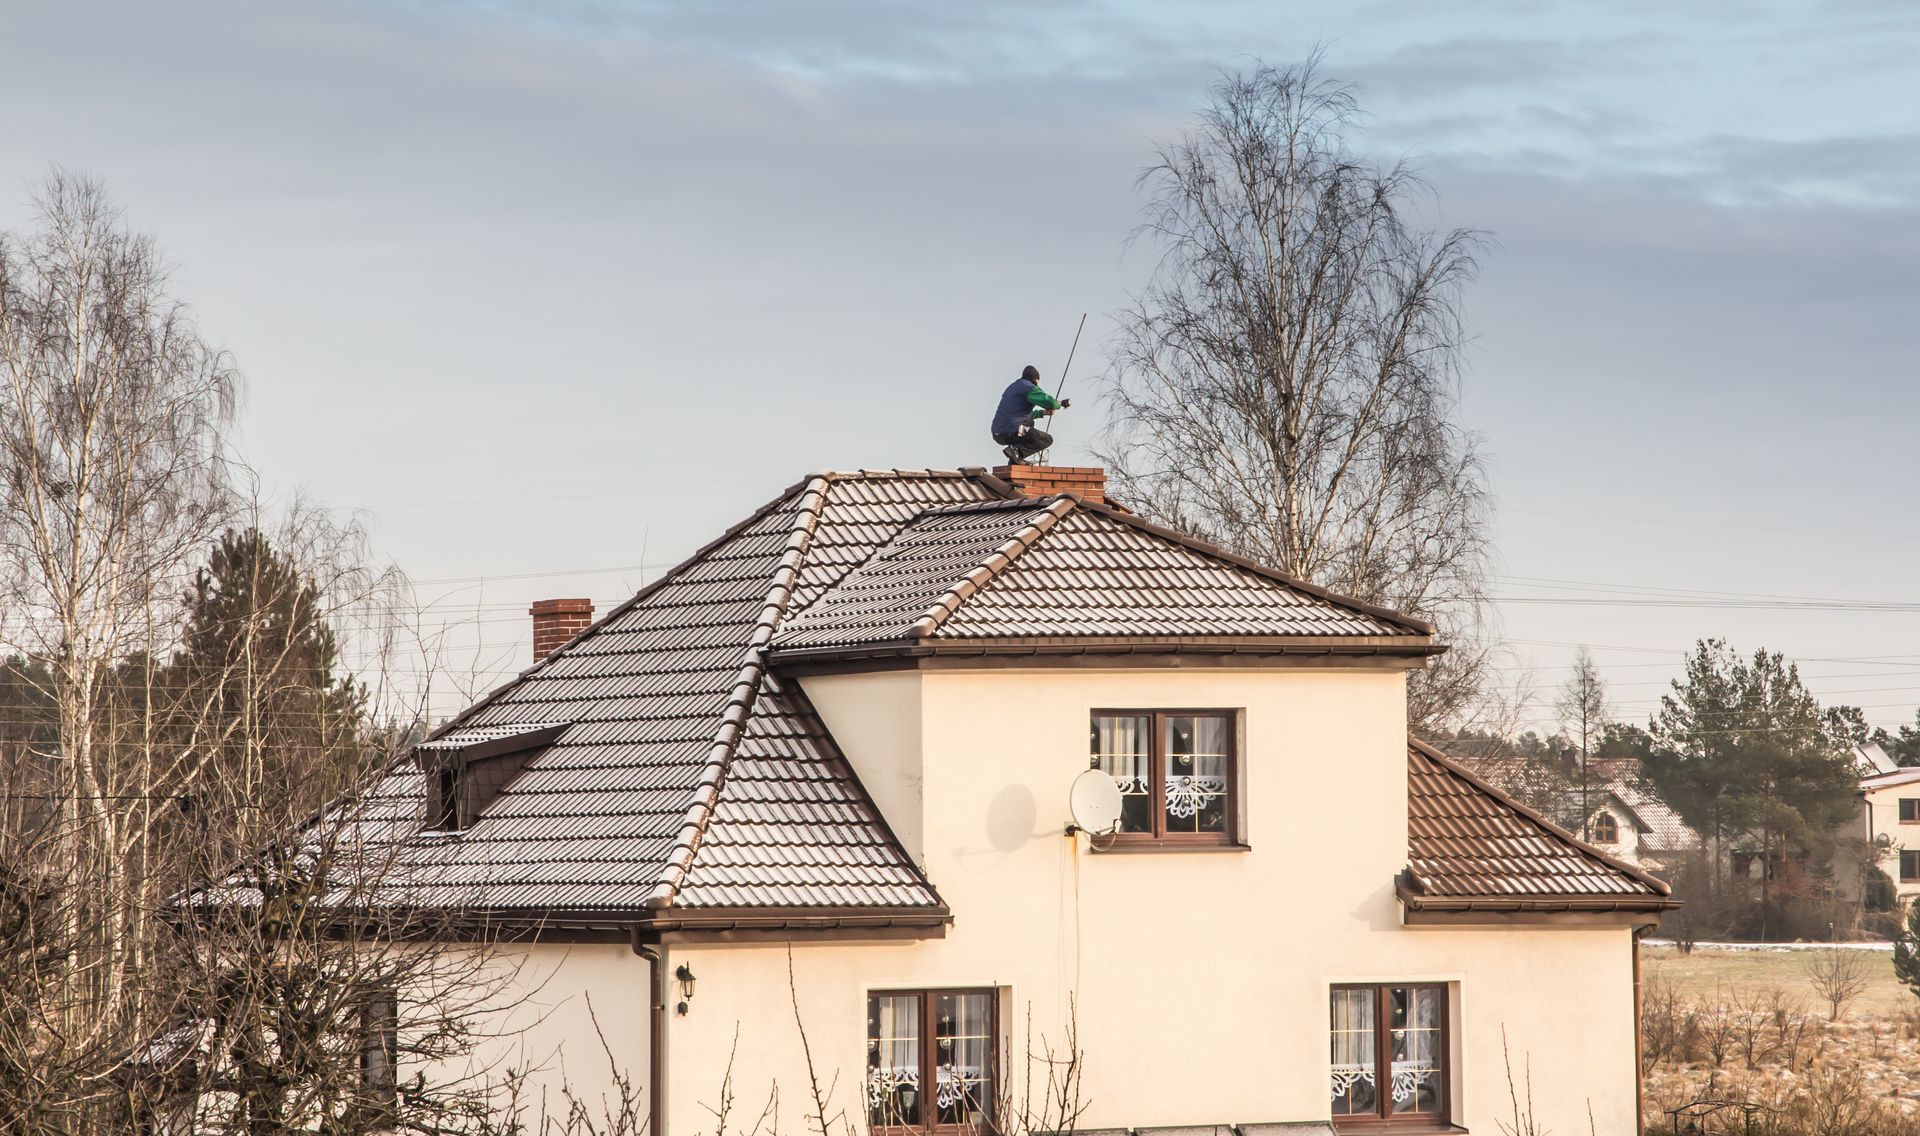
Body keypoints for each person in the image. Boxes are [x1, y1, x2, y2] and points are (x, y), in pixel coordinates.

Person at [991, 365, 1070, 465]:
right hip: (1013, 430)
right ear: (1036, 380)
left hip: (998, 433)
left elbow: (1019, 414)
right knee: (1046, 439)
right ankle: (1016, 452)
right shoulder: (1029, 387)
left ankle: (1015, 459)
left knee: (1027, 422)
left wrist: (1043, 413)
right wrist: (1059, 403)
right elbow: (1051, 403)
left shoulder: (1012, 387)